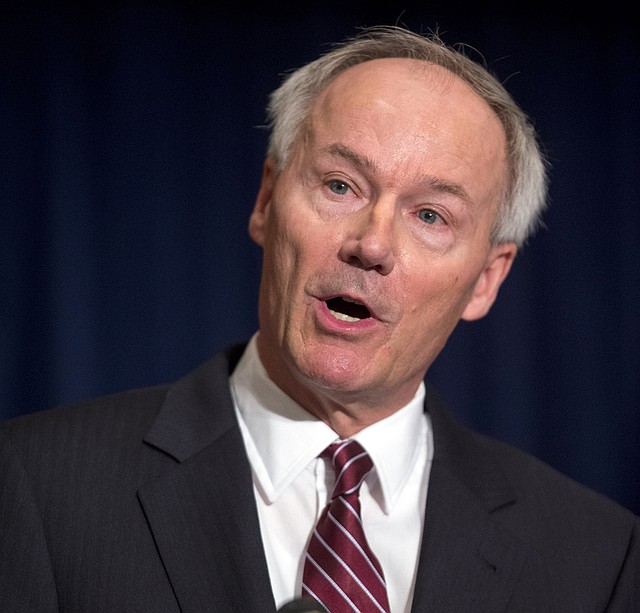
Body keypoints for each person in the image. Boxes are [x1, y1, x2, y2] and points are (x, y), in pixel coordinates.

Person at [0, 24, 638, 613]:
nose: (372, 244)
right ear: (266, 199)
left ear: (486, 279)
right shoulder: (36, 484)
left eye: (431, 216)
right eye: (341, 185)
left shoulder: (597, 558)